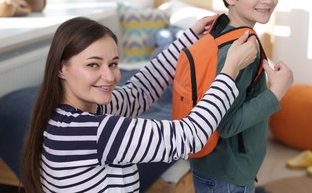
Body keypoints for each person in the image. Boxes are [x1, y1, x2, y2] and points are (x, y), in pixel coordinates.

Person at [20, 14, 285, 193]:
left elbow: (140, 91)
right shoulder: (92, 132)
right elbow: (189, 135)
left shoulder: (70, 115)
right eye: (93, 65)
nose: (110, 76)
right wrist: (230, 71)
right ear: (60, 68)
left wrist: (188, 37)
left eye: (113, 64)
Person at [189, 0, 294, 193]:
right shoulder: (243, 50)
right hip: (228, 175)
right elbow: (226, 124)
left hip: (214, 166)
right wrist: (276, 91)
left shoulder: (220, 29)